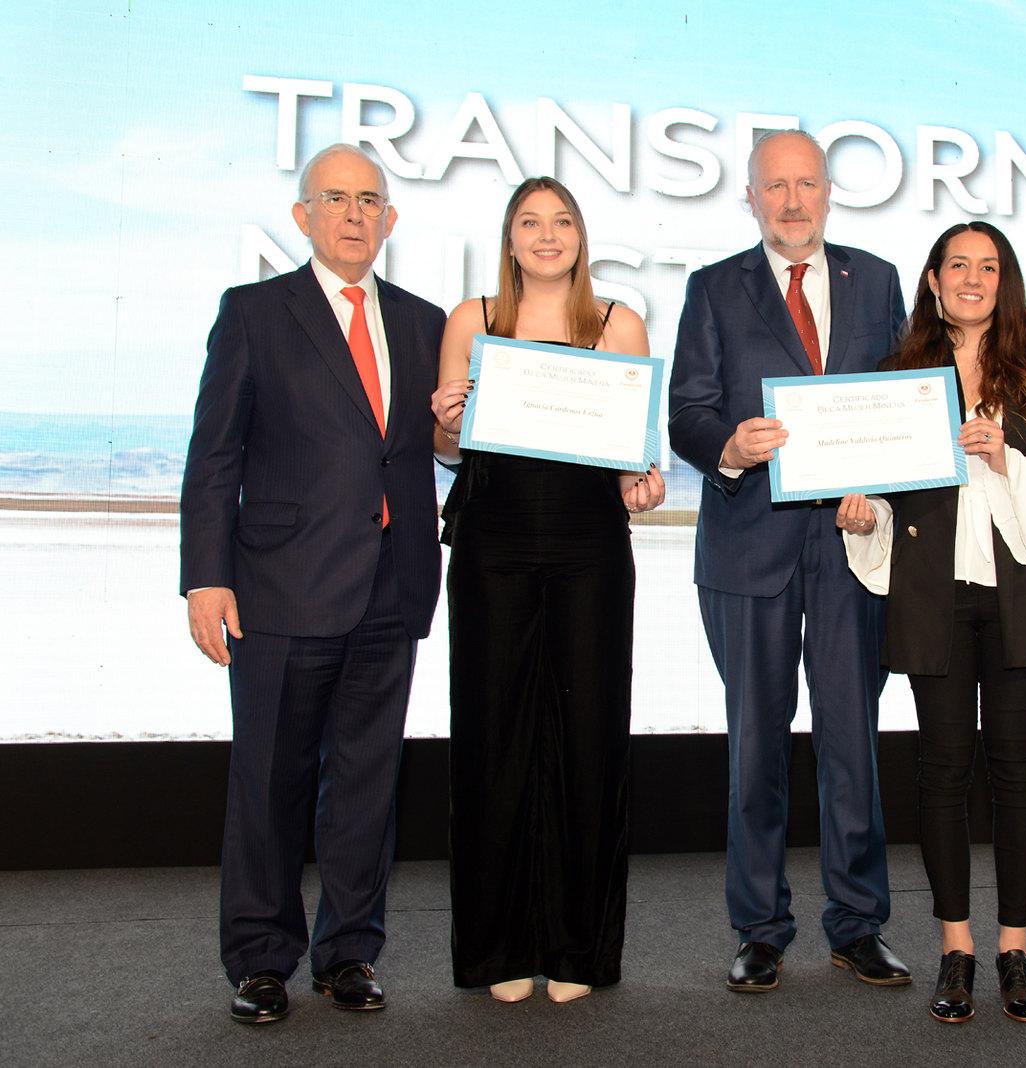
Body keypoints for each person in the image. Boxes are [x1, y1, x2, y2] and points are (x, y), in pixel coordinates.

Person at [180, 144, 447, 1024]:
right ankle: (261, 960)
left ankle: (347, 953)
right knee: (269, 781)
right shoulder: (255, 312)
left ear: (391, 221)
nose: (354, 214)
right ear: (303, 216)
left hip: (391, 585)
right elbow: (214, 455)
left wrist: (454, 434)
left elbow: (426, 450)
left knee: (368, 783)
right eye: (335, 198)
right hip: (280, 588)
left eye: (370, 200)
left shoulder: (422, 321)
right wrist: (205, 579)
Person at [668, 129, 911, 992]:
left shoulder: (879, 281)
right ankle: (761, 928)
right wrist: (729, 448)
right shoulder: (711, 289)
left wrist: (879, 492)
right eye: (777, 187)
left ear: (830, 192)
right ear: (751, 197)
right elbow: (686, 412)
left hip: (849, 549)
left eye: (807, 183)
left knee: (853, 746)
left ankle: (858, 923)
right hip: (748, 548)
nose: (794, 201)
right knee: (755, 750)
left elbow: (906, 405)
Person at [838, 222, 1026, 1024]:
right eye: (960, 265)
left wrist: (1006, 454)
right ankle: (958, 949)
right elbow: (880, 483)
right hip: (933, 597)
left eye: (990, 266)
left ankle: (1014, 950)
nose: (974, 278)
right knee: (942, 772)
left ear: (1004, 280)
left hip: (1020, 595)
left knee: (1018, 771)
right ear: (934, 278)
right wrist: (862, 510)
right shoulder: (900, 372)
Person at [430, 176, 663, 1006]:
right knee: (491, 742)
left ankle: (576, 949)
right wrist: (448, 421)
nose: (547, 234)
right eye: (531, 221)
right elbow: (449, 448)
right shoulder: (473, 320)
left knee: (589, 744)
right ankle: (496, 951)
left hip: (590, 550)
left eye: (562, 220)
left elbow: (637, 454)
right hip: (492, 548)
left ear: (581, 236)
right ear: (510, 236)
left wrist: (646, 479)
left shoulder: (616, 323)